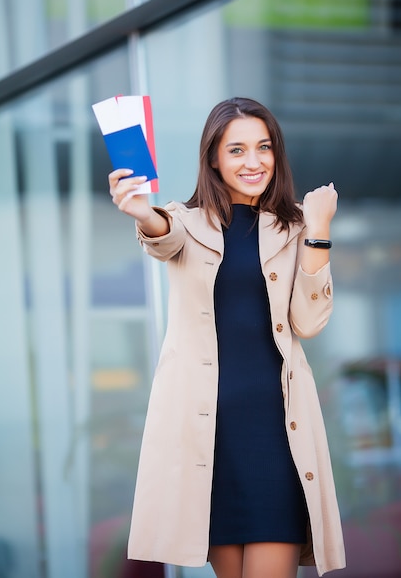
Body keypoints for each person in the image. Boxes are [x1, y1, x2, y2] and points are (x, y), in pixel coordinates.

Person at [109, 97, 346, 578]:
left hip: (277, 431)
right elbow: (162, 233)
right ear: (213, 158)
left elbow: (309, 321)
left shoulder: (297, 226)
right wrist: (141, 212)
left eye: (264, 148)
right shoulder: (186, 221)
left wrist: (318, 229)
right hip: (207, 436)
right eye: (236, 150)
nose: (253, 161)